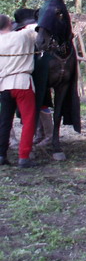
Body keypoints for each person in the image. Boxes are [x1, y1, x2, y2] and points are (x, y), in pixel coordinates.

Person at [0, 11, 40, 167]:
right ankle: (24, 156)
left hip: (4, 85)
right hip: (22, 83)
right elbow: (38, 27)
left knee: (5, 121)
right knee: (28, 121)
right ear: (11, 24)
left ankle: (1, 155)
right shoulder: (23, 35)